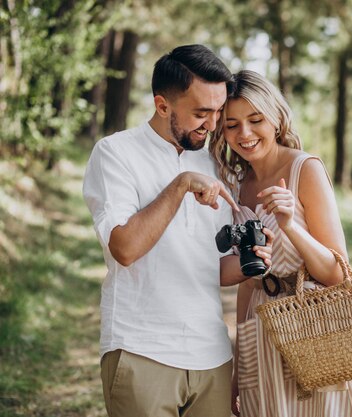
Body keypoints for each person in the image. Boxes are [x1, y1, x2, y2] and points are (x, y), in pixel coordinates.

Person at [82, 45, 273, 417]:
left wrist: (256, 261)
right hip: (142, 351)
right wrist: (181, 183)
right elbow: (124, 248)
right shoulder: (115, 154)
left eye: (219, 112)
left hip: (212, 357)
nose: (214, 124)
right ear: (162, 105)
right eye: (201, 113)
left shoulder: (217, 162)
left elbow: (210, 267)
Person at [210, 69, 352, 417]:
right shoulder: (235, 183)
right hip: (264, 335)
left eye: (255, 119)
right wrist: (238, 366)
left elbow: (338, 275)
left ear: (277, 119)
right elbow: (250, 282)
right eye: (231, 125)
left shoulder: (303, 169)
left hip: (316, 330)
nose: (244, 134)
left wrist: (291, 226)